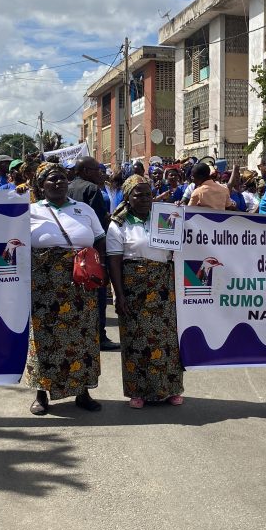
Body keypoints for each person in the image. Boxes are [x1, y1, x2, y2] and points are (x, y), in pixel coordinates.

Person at [22, 161, 105, 415]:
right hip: (44, 287)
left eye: (61, 178)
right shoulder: (29, 211)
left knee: (82, 338)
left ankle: (83, 392)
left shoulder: (84, 209)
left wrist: (100, 272)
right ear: (41, 186)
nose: (58, 182)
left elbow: (100, 241)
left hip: (81, 286)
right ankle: (41, 393)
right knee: (44, 338)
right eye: (51, 179)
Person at [106, 175, 184, 409]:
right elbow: (114, 262)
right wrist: (119, 295)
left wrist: (182, 215)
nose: (144, 198)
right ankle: (137, 391)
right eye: (138, 194)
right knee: (136, 339)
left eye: (148, 194)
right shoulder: (119, 224)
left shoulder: (165, 217)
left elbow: (180, 247)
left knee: (166, 339)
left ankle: (169, 389)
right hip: (134, 288)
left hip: (163, 288)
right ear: (128, 197)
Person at [68, 156, 116, 350]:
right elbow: (99, 223)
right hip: (93, 250)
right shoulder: (92, 189)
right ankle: (99, 336)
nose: (101, 174)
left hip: (72, 250)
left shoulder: (67, 187)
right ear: (86, 171)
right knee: (97, 291)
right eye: (97, 170)